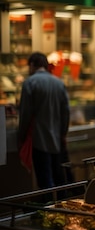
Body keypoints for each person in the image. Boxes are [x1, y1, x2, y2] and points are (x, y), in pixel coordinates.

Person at [18, 52, 71, 191]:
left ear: (32, 65)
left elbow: (25, 114)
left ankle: (48, 209)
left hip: (38, 139)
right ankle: (62, 209)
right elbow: (66, 112)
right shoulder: (59, 83)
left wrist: (21, 137)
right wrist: (62, 134)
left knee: (45, 181)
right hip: (56, 139)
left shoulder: (30, 83)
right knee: (59, 179)